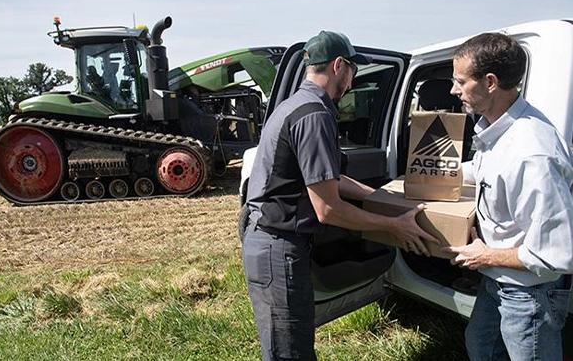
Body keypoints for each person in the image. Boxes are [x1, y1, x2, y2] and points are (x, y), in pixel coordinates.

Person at [242, 30, 439, 361]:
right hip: (278, 248)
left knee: (289, 345)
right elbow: (328, 210)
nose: (353, 79)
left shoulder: (297, 104)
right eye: (353, 69)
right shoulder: (315, 114)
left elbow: (327, 177)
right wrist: (394, 226)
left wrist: (380, 195)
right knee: (289, 352)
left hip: (268, 240)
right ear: (338, 66)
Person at [442, 33, 573, 361]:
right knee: (481, 347)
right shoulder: (497, 128)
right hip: (497, 279)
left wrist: (484, 256)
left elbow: (555, 254)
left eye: (460, 81)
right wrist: (433, 172)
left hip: (529, 292)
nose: (453, 90)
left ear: (489, 82)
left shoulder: (533, 152)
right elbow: (491, 171)